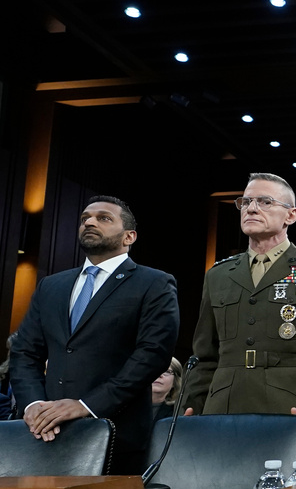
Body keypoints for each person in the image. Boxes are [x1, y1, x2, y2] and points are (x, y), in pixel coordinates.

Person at [184, 172, 296, 457]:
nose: (251, 208)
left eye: (264, 201)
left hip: (289, 411)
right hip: (221, 411)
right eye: (246, 201)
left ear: (291, 215)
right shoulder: (219, 275)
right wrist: (189, 411)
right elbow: (204, 357)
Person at [9, 196, 179, 473]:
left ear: (129, 236)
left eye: (103, 218)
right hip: (42, 433)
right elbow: (24, 352)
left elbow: (153, 354)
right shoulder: (51, 285)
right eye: (85, 218)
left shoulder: (154, 283)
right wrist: (34, 405)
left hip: (116, 434)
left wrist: (87, 405)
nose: (89, 222)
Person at [151, 357, 182, 423]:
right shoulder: (127, 404)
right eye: (155, 369)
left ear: (175, 382)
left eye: (167, 371)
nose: (160, 375)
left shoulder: (178, 412)